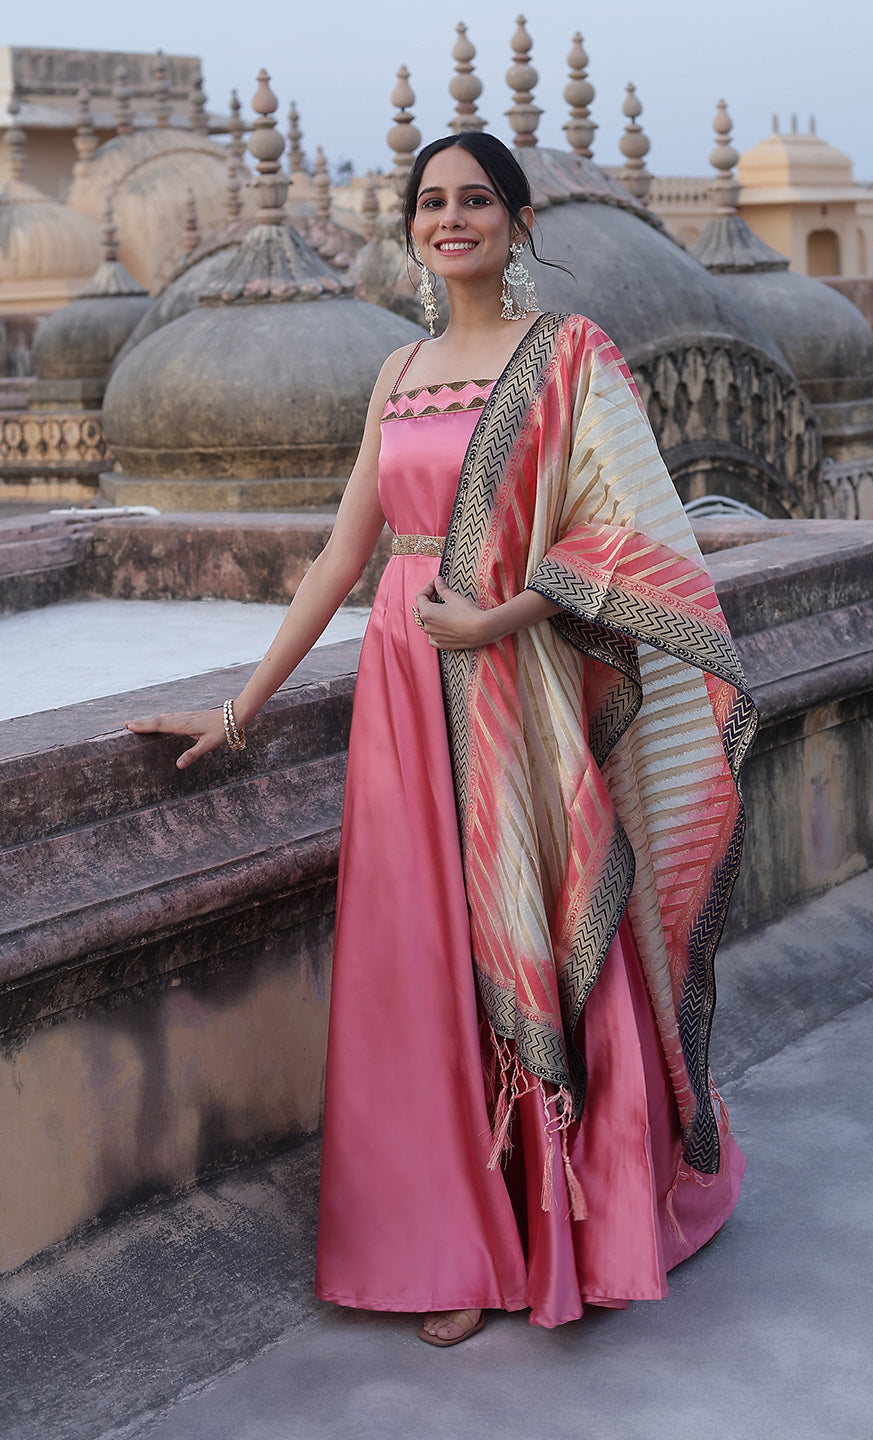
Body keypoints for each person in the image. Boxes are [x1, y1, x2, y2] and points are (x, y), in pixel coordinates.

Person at [127, 132, 757, 1344]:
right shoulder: (400, 369)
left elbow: (638, 539)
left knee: (523, 930)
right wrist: (236, 709)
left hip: (513, 680)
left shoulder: (569, 356)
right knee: (414, 964)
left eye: (476, 200)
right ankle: (450, 1246)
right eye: (431, 202)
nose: (450, 218)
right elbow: (340, 558)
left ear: (521, 224)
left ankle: (555, 1219)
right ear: (410, 225)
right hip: (403, 694)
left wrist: (508, 612)